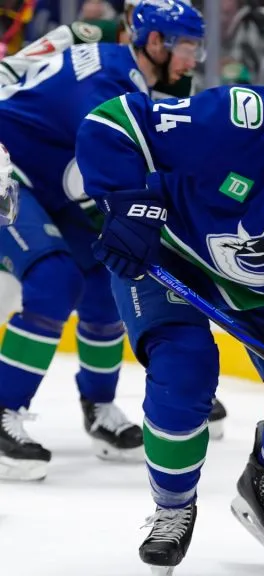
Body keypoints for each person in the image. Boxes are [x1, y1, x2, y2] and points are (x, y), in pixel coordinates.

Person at [75, 40, 264, 574]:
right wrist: (127, 203)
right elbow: (111, 123)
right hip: (169, 256)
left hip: (258, 283)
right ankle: (172, 508)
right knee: (184, 368)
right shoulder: (228, 119)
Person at [0, 0, 230, 438]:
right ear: (156, 42)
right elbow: (103, 183)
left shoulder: (122, 70)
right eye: (187, 47)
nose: (192, 60)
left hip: (44, 181)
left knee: (108, 278)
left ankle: (100, 406)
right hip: (8, 171)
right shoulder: (111, 87)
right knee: (54, 280)